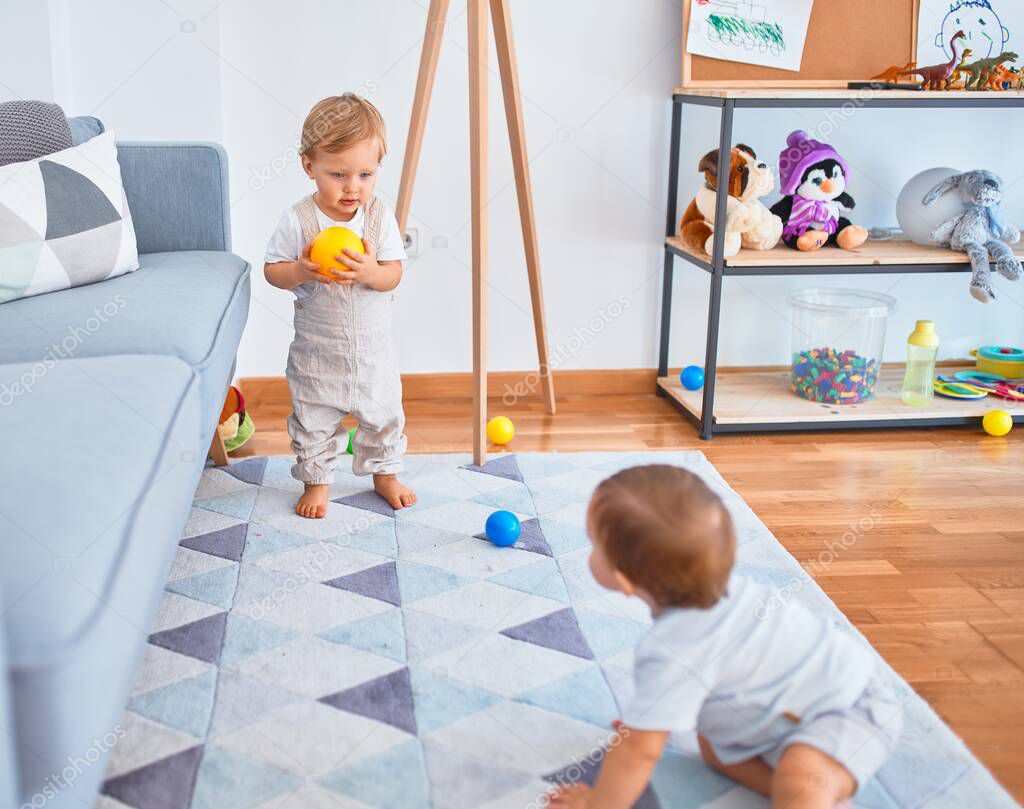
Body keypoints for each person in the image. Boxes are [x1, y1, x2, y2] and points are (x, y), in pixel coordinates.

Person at [551, 464, 901, 809]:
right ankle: (816, 791)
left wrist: (598, 801)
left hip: (852, 708)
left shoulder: (672, 650)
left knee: (799, 777)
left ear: (625, 579)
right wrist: (648, 723)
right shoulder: (711, 590)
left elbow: (639, 752)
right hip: (783, 713)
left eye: (593, 543)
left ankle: (812, 789)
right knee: (713, 746)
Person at [265, 94, 416, 518]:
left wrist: (371, 271)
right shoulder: (298, 220)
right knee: (312, 418)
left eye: (365, 174)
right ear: (308, 166)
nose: (353, 187)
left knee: (384, 415)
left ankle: (384, 475)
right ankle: (317, 482)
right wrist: (300, 271)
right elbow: (272, 271)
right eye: (338, 174)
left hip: (372, 356)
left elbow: (393, 274)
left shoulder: (379, 217)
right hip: (318, 354)